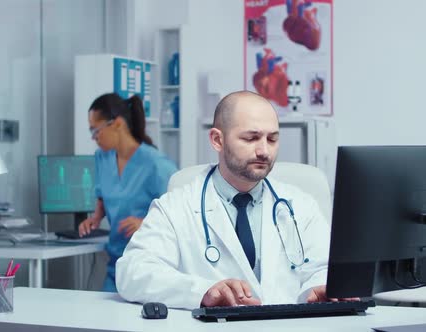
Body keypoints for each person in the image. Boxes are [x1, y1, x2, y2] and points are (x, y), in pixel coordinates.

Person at [116, 91, 332, 309]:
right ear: (217, 140)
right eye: (251, 138)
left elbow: (325, 268)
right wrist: (202, 291)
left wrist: (320, 287)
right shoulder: (176, 207)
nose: (264, 151)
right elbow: (133, 272)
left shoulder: (301, 205)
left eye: (272, 139)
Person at [79, 93, 178, 292]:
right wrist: (96, 218)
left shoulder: (156, 164)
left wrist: (145, 223)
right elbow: (103, 193)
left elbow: (179, 212)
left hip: (150, 265)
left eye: (96, 130)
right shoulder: (102, 157)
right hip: (116, 263)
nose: (94, 137)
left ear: (117, 123)